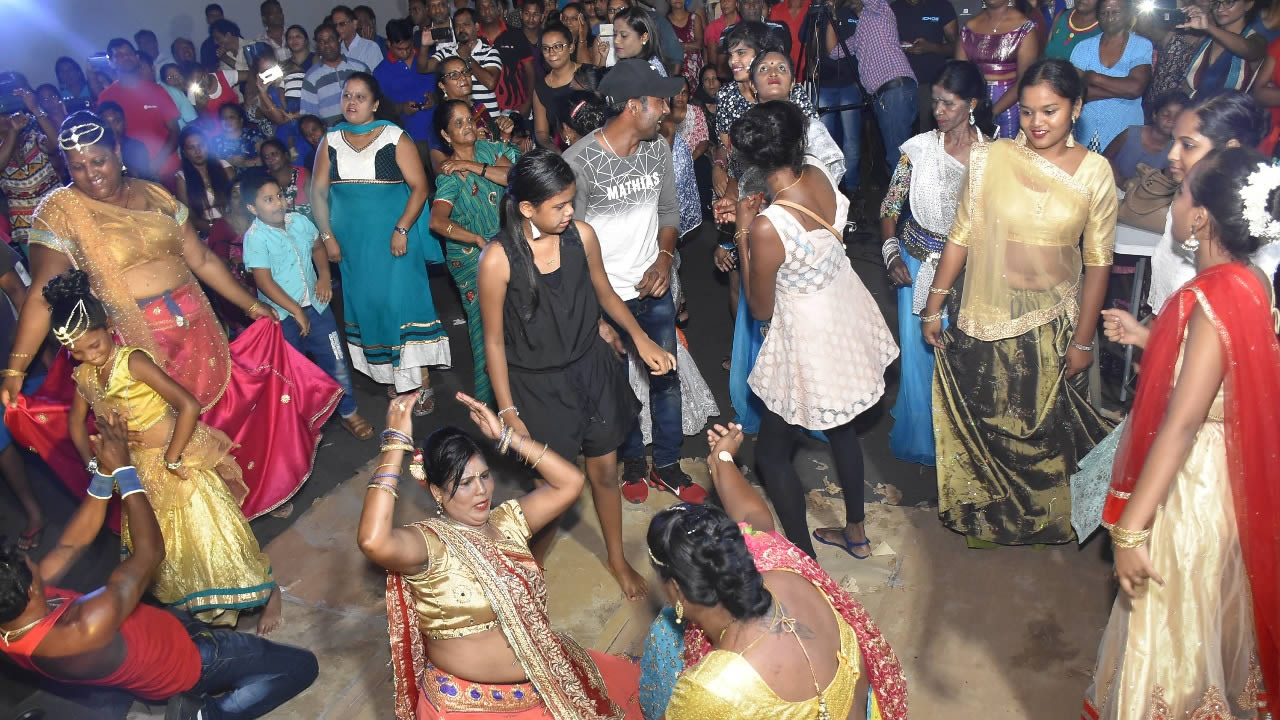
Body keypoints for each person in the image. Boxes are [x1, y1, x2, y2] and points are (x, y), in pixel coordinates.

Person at [3, 110, 343, 525]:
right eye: (77, 166)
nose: (90, 174)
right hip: (136, 339)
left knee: (220, 410)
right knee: (163, 430)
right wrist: (16, 369)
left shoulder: (155, 194)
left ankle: (247, 495)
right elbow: (41, 293)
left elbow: (199, 257)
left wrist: (252, 306)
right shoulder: (61, 211)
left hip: (197, 325)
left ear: (116, 152)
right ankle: (205, 520)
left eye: (98, 161)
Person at [1083, 145, 1280, 720]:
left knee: (1171, 620)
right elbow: (1223, 376)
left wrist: (1130, 530)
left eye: (1183, 192)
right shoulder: (1253, 282)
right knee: (1216, 609)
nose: (1173, 200)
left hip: (1192, 483)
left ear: (1199, 219)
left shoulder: (1208, 299)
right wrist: (1150, 340)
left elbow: (1184, 419)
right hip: (1234, 476)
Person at [0, 409, 318, 720]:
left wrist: (104, 472)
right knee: (299, 667)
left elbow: (71, 543)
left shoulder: (13, 615)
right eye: (25, 560)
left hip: (154, 639)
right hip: (188, 662)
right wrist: (125, 471)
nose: (31, 557)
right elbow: (150, 553)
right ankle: (207, 713)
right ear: (30, 589)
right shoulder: (84, 626)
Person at [920, 58, 1115, 547]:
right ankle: (988, 519)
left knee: (1045, 434)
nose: (1037, 122)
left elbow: (1098, 263)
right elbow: (962, 234)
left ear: (1077, 109)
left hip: (1053, 321)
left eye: (1050, 110)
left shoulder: (1095, 173)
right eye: (1027, 112)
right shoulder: (994, 158)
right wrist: (934, 303)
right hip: (985, 312)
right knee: (987, 422)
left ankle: (1046, 521)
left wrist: (1085, 341)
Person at [358, 392, 645, 720]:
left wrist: (505, 435)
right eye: (464, 483)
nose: (481, 491)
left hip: (542, 681)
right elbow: (372, 540)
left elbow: (571, 482)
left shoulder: (506, 521)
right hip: (469, 707)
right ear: (436, 492)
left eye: (484, 476)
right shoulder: (428, 545)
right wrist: (395, 444)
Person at [476, 148, 674, 600]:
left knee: (605, 471)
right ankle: (532, 564)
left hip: (592, 369)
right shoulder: (498, 259)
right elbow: (493, 342)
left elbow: (603, 291)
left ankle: (616, 558)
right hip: (537, 386)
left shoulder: (581, 236)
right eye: (559, 205)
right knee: (555, 488)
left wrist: (641, 339)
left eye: (571, 202)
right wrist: (506, 408)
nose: (570, 212)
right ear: (527, 208)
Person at [49, 269, 281, 632]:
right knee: (170, 549)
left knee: (214, 539)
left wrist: (173, 455)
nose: (89, 357)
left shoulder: (132, 362)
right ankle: (205, 611)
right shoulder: (86, 376)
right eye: (76, 353)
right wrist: (96, 464)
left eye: (93, 346)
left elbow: (188, 404)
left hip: (178, 462)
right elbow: (76, 424)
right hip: (137, 471)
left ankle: (270, 592)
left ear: (109, 325)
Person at [641, 423, 909, 720]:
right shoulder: (779, 564)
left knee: (665, 634)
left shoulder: (714, 689)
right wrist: (722, 459)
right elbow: (754, 517)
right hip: (862, 709)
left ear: (676, 588)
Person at [724, 101, 896, 559]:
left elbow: (760, 308)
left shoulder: (768, 226)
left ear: (754, 161)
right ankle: (856, 533)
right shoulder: (819, 173)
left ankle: (805, 564)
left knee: (770, 456)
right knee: (843, 428)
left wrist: (743, 232)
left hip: (808, 337)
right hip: (842, 306)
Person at [563, 60, 704, 504]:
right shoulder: (579, 162)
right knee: (618, 388)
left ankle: (667, 465)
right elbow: (572, 247)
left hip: (653, 288)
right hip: (606, 297)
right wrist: (595, 317)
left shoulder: (657, 148)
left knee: (666, 377)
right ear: (632, 106)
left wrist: (665, 260)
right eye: (659, 100)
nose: (667, 108)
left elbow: (668, 212)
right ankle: (633, 465)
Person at [311, 73, 450, 413]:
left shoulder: (393, 136)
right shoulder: (330, 140)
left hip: (395, 241)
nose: (351, 102)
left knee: (401, 305)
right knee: (372, 307)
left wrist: (402, 228)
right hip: (353, 248)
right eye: (347, 95)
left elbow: (419, 187)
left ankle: (422, 381)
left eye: (360, 96)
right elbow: (317, 192)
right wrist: (327, 237)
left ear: (375, 104)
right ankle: (394, 378)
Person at [880, 59, 990, 467]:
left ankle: (960, 439)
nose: (939, 112)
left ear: (972, 103)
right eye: (935, 103)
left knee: (959, 355)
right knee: (918, 355)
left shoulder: (992, 156)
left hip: (968, 272)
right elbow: (891, 206)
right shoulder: (918, 150)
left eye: (948, 104)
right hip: (914, 259)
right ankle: (924, 434)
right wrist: (891, 252)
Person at [241, 174, 371, 441]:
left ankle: (349, 412)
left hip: (318, 307)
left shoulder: (299, 221)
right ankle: (307, 425)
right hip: (284, 317)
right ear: (252, 208)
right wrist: (296, 309)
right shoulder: (255, 238)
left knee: (335, 361)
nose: (278, 203)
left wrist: (324, 276)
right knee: (296, 373)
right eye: (268, 200)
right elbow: (263, 281)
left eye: (279, 195)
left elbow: (317, 247)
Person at [1148, 91, 1278, 311]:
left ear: (1230, 150)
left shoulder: (1247, 219)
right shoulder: (1185, 200)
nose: (1172, 154)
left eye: (1187, 145)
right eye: (1174, 141)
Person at [427, 99, 519, 406]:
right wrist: (477, 239)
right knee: (486, 333)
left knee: (521, 320)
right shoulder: (449, 176)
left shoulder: (489, 151)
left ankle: (524, 398)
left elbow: (513, 177)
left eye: (469, 120)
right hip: (471, 258)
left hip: (507, 247)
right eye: (459, 123)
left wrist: (469, 164)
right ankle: (489, 409)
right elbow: (437, 222)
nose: (468, 126)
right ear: (446, 134)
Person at [0, 244, 45, 551]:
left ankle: (98, 496)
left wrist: (40, 352)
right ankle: (34, 512)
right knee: (1, 443)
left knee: (47, 422)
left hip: (12, 354)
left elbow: (19, 290)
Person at [1069, 0, 1152, 151]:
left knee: (1118, 173)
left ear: (1128, 15)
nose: (1109, 17)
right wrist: (1121, 90)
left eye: (1116, 12)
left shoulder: (1141, 46)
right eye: (1104, 12)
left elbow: (1135, 88)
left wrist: (1093, 77)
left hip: (1124, 133)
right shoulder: (1083, 47)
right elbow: (1075, 93)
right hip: (1085, 132)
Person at [848, 0, 919, 172]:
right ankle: (903, 198)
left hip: (895, 90)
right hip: (887, 96)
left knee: (897, 157)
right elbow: (834, 52)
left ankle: (902, 199)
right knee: (897, 154)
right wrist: (830, 16)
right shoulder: (861, 30)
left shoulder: (880, 9)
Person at [956, 0, 1040, 139]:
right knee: (976, 156)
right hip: (974, 105)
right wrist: (973, 110)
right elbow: (960, 77)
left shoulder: (1024, 28)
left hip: (1011, 106)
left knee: (1005, 156)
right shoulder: (968, 28)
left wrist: (991, 113)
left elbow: (1025, 80)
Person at [96, 38, 181, 177]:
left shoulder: (156, 91)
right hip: (131, 176)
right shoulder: (105, 97)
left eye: (128, 53)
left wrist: (156, 164)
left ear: (136, 58)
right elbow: (106, 138)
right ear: (110, 63)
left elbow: (175, 131)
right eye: (119, 55)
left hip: (167, 170)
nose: (125, 57)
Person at [801, 0, 862, 190]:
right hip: (824, 85)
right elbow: (807, 42)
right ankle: (828, 190)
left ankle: (851, 190)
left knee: (852, 143)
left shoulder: (852, 11)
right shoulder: (816, 11)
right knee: (824, 141)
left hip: (850, 84)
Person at [0, 92, 61, 250]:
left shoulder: (32, 137)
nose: (10, 118)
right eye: (4, 115)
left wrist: (35, 109)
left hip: (59, 219)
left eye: (11, 114)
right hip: (28, 230)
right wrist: (12, 132)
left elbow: (55, 144)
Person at [375, 18, 439, 168]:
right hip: (409, 140)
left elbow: (445, 90)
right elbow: (380, 108)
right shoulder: (380, 72)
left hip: (437, 134)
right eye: (399, 49)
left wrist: (434, 98)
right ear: (389, 44)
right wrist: (401, 108)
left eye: (408, 47)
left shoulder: (427, 60)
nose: (404, 52)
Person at [421, 8, 504, 115]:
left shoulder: (490, 51)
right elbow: (423, 68)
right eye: (457, 25)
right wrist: (424, 46)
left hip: (489, 118)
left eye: (466, 24)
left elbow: (491, 83)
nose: (461, 29)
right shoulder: (447, 52)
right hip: (459, 118)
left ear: (477, 27)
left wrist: (467, 58)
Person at [894, 0, 959, 132]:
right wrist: (898, 46)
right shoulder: (894, 7)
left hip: (931, 84)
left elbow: (957, 47)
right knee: (901, 137)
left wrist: (931, 47)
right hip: (900, 83)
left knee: (929, 134)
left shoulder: (941, 6)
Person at [1181, 0, 1268, 96]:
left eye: (1228, 2)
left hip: (1228, 110)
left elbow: (1249, 50)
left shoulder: (1256, 40)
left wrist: (1208, 27)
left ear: (1248, 4)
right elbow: (1188, 86)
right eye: (1216, 3)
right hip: (1193, 108)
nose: (1220, 8)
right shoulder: (1207, 40)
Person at [1102, 90, 1187, 187]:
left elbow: (1165, 185)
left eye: (1177, 117)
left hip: (1139, 199)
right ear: (1155, 115)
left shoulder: (1173, 152)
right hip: (1108, 186)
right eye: (1166, 115)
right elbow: (1104, 158)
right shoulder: (1131, 133)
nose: (1171, 120)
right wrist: (1122, 182)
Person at [533, 23, 593, 148]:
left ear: (571, 47)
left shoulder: (587, 75)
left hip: (594, 147)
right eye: (546, 48)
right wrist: (556, 152)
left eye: (557, 46)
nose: (551, 53)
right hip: (561, 152)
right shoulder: (541, 88)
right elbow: (541, 132)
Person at [300, 23, 371, 126]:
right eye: (321, 41)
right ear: (317, 46)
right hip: (332, 137)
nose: (327, 44)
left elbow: (373, 101)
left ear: (339, 39)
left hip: (363, 131)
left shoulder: (360, 68)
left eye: (330, 39)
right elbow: (309, 117)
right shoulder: (311, 77)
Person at [174, 126, 235, 235]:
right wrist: (215, 229)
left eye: (200, 145)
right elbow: (189, 216)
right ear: (184, 153)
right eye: (191, 148)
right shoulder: (182, 178)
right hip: (204, 231)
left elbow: (238, 202)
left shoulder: (225, 168)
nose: (197, 151)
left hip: (233, 225)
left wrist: (229, 225)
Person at [488, 0, 541, 116]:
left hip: (520, 102)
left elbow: (531, 72)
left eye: (535, 14)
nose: (531, 18)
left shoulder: (515, 35)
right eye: (527, 13)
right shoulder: (477, 37)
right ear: (521, 14)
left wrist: (527, 103)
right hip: (490, 106)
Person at [96, 100, 156, 182]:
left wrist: (119, 162)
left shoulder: (137, 148)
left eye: (117, 122)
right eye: (107, 123)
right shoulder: (95, 150)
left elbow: (141, 180)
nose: (112, 128)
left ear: (125, 123)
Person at [259, 138, 311, 213]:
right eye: (266, 157)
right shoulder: (263, 181)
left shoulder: (303, 174)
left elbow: (316, 203)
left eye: (274, 154)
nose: (270, 159)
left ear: (285, 155)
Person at [212, 103, 266, 171]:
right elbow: (214, 168)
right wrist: (228, 162)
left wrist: (244, 163)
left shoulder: (253, 134)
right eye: (224, 118)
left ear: (241, 120)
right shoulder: (215, 142)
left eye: (231, 117)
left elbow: (266, 157)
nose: (227, 121)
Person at [332, 4, 386, 71]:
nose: (338, 28)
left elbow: (376, 77)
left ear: (354, 23)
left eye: (342, 24)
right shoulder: (336, 50)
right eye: (335, 25)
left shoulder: (370, 47)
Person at [669, 0, 705, 85]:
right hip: (674, 71)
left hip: (695, 71)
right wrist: (689, 46)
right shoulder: (664, 21)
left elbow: (699, 45)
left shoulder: (695, 18)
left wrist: (679, 46)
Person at [155, 64, 200, 129]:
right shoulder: (167, 99)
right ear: (164, 82)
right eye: (170, 77)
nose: (176, 79)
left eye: (178, 75)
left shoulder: (194, 91)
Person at [705, 0, 740, 74]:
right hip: (721, 72)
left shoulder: (743, 23)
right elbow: (712, 60)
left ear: (737, 3)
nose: (725, 2)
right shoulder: (713, 27)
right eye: (722, 0)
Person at [201, 4, 227, 70]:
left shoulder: (234, 37)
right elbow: (207, 68)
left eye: (218, 16)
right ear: (207, 20)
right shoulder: (206, 45)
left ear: (223, 17)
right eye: (212, 16)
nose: (216, 19)